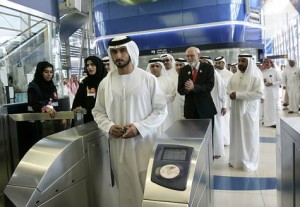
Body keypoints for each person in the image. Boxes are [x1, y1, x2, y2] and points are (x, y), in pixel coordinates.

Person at [92, 36, 167, 207]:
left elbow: (161, 110)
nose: (118, 55)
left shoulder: (148, 79)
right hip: (119, 148)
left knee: (148, 186)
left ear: (131, 51)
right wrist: (110, 127)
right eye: (114, 52)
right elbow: (98, 112)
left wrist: (139, 127)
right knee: (124, 188)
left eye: (122, 50)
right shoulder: (106, 83)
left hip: (144, 144)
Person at [227, 54, 264, 171]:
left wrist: (238, 95)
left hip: (248, 113)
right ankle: (236, 160)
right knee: (236, 133)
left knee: (248, 136)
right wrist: (230, 93)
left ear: (249, 62)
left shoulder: (255, 76)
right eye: (239, 61)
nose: (240, 63)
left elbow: (259, 94)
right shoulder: (234, 76)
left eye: (243, 61)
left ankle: (248, 161)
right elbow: (228, 88)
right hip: (235, 111)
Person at [178, 47, 216, 121]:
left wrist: (194, 87)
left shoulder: (208, 68)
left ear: (199, 55)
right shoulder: (183, 70)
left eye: (192, 56)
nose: (189, 58)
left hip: (205, 109)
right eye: (187, 56)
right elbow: (180, 90)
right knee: (191, 132)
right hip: (190, 110)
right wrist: (187, 89)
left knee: (207, 132)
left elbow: (209, 86)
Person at [72, 56, 107, 123]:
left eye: (92, 64)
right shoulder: (85, 83)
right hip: (87, 120)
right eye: (87, 65)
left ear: (98, 65)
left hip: (103, 119)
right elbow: (77, 100)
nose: (89, 67)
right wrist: (76, 108)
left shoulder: (106, 81)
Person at [146, 57, 176, 135]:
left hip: (165, 114)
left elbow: (172, 96)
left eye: (157, 66)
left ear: (161, 67)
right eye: (152, 66)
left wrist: (156, 99)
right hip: (149, 114)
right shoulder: (145, 81)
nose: (155, 68)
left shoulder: (168, 80)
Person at [214, 56, 233, 145]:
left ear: (223, 63)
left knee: (225, 121)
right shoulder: (213, 73)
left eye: (219, 63)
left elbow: (232, 88)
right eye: (216, 63)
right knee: (218, 122)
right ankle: (219, 141)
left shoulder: (229, 74)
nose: (217, 65)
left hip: (226, 101)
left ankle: (225, 140)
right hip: (216, 100)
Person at [261, 59, 282, 128]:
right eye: (265, 62)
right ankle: (266, 121)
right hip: (264, 92)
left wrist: (272, 83)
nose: (266, 63)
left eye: (268, 62)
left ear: (271, 63)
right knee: (265, 107)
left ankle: (272, 122)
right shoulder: (262, 72)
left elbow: (280, 81)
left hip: (272, 93)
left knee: (272, 108)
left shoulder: (275, 71)